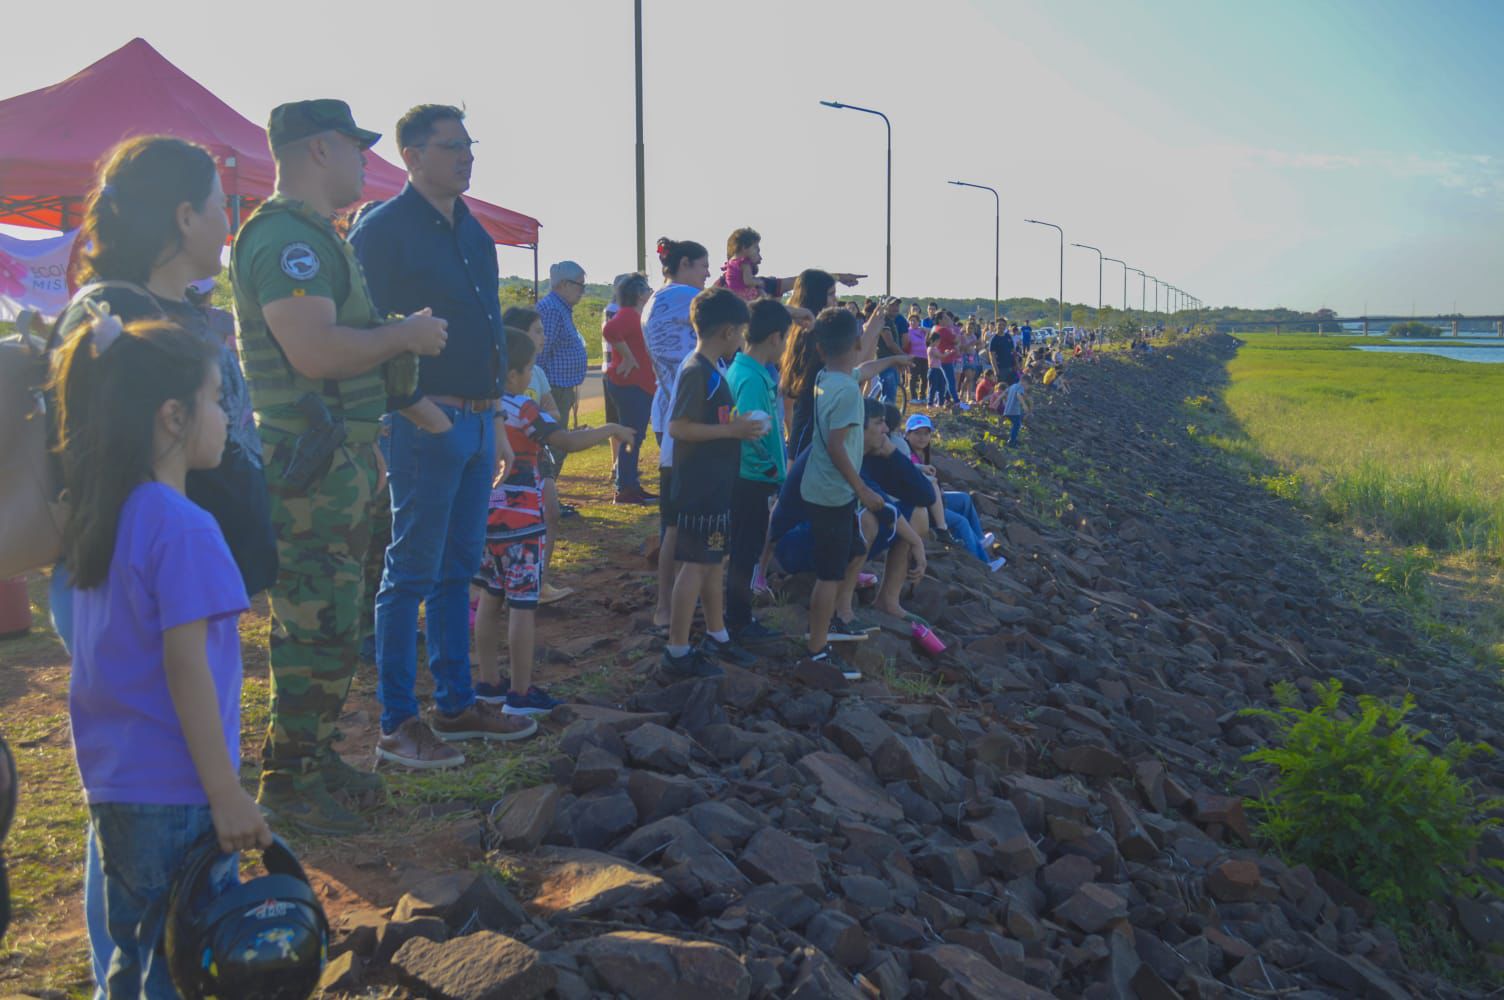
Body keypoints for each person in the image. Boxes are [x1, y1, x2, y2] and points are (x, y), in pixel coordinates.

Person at [230, 99, 449, 833]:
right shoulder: (285, 240)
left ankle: (314, 759)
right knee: (313, 629)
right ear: (320, 149)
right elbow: (316, 351)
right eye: (357, 148)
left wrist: (371, 442)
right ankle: (288, 784)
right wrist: (406, 337)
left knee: (335, 623)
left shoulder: (319, 237)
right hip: (309, 474)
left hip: (337, 464)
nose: (364, 162)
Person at [53, 316, 271, 996]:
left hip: (116, 788)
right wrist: (225, 793)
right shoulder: (185, 527)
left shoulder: (107, 516)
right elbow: (188, 671)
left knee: (136, 956)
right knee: (185, 969)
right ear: (173, 416)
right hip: (179, 794)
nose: (225, 417)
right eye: (214, 399)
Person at [347, 104, 535, 769]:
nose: (465, 156)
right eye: (451, 146)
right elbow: (363, 328)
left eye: (469, 145)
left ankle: (455, 704)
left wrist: (498, 421)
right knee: (410, 573)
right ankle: (399, 722)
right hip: (425, 421)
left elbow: (485, 327)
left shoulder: (474, 232)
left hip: (481, 420)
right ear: (410, 155)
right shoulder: (383, 229)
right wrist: (413, 406)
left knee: (458, 570)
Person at [472, 331, 633, 718]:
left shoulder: (477, 408)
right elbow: (565, 441)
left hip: (483, 520)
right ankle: (521, 694)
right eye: (528, 369)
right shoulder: (525, 410)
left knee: (489, 599)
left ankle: (489, 683)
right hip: (522, 523)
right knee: (523, 606)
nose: (531, 375)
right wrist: (611, 429)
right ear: (512, 375)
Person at [660, 288, 764, 679]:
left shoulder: (712, 368)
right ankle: (677, 650)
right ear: (727, 331)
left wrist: (736, 427)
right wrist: (731, 431)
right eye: (739, 333)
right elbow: (679, 427)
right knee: (695, 566)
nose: (740, 341)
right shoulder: (696, 371)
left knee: (711, 562)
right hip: (700, 487)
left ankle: (716, 635)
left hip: (716, 484)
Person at [797, 308, 886, 679]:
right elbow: (837, 446)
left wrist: (893, 360)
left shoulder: (826, 377)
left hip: (821, 486)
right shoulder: (849, 394)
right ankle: (817, 650)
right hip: (834, 492)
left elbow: (859, 371)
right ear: (856, 343)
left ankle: (832, 622)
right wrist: (862, 488)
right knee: (829, 574)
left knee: (854, 548)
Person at [642, 237, 711, 635]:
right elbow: (736, 309)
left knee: (679, 523)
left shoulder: (660, 298)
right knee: (676, 526)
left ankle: (675, 603)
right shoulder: (678, 297)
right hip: (681, 426)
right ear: (684, 264)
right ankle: (665, 607)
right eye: (703, 265)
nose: (707, 274)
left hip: (673, 417)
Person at [725, 298, 791, 646]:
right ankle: (737, 619)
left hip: (755, 475)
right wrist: (770, 467)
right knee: (745, 551)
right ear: (776, 338)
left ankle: (737, 615)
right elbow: (752, 431)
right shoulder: (750, 376)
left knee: (746, 548)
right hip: (750, 478)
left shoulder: (750, 371)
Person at [500, 306, 575, 605]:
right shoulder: (498, 378)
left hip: (538, 457)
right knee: (503, 522)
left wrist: (535, 418)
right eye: (538, 330)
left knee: (552, 512)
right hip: (507, 467)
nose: (543, 336)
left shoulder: (538, 374)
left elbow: (554, 413)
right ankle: (498, 586)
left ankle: (539, 581)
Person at [601, 273, 657, 504]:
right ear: (637, 294)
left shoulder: (635, 316)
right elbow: (610, 331)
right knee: (631, 436)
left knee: (633, 436)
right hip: (631, 385)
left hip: (636, 384)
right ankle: (625, 488)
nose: (650, 290)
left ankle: (629, 484)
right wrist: (628, 357)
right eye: (645, 288)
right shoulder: (628, 315)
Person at [535, 260, 589, 428]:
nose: (582, 291)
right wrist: (543, 390)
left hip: (559, 387)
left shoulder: (559, 308)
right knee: (556, 442)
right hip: (554, 388)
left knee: (559, 442)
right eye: (580, 285)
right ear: (565, 284)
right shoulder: (552, 309)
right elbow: (541, 351)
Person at [721, 227, 763, 301]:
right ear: (744, 247)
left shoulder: (731, 262)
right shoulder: (744, 263)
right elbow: (748, 281)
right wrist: (759, 282)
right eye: (755, 248)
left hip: (733, 294)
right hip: (743, 295)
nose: (757, 251)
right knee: (762, 292)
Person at [1003, 373, 1029, 446]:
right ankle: (1011, 442)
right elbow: (1018, 395)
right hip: (1014, 411)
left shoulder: (1013, 386)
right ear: (1024, 381)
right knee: (1017, 425)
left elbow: (1005, 393)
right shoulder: (1020, 387)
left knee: (1016, 424)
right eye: (1027, 385)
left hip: (1007, 410)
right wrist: (1024, 405)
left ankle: (1012, 439)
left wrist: (1003, 402)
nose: (1026, 387)